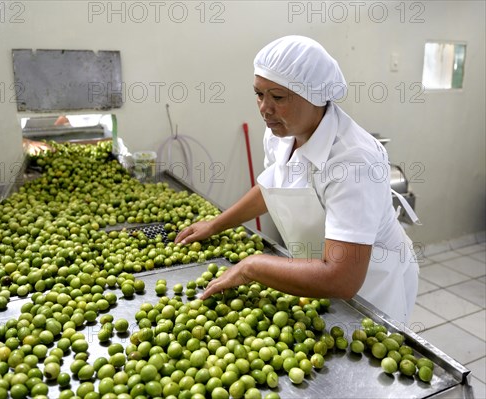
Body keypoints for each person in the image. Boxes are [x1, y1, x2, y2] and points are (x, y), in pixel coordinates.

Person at [175, 36, 420, 324]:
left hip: (372, 289)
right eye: (259, 94)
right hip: (318, 276)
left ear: (315, 96)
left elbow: (343, 279)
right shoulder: (281, 132)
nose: (264, 108)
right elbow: (272, 188)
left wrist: (252, 266)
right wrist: (216, 224)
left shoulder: (352, 162)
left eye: (278, 97)